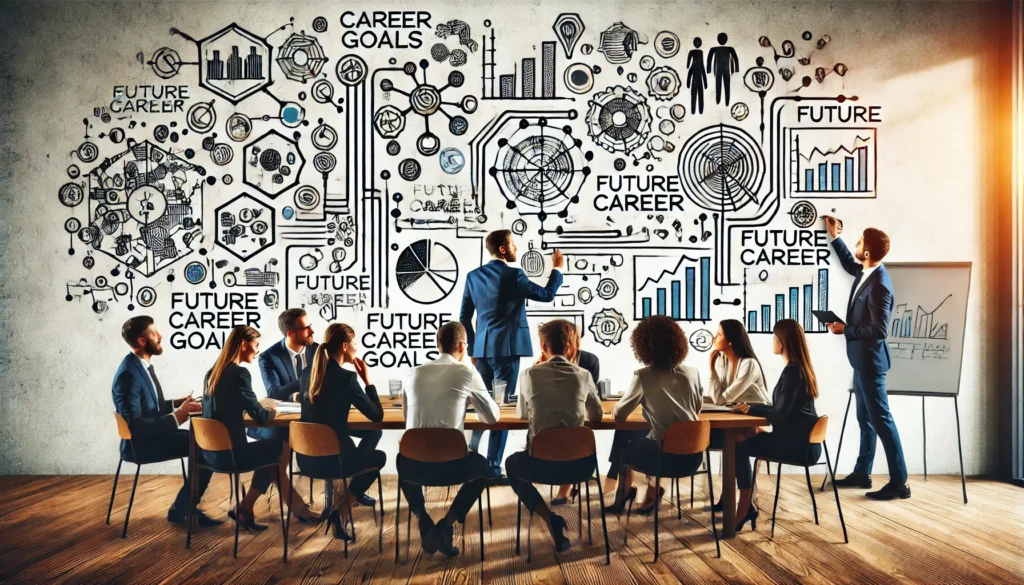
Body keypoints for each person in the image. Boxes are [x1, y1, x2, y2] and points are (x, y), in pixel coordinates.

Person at [460, 229, 564, 481]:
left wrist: (473, 349)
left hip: (482, 351)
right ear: (503, 249)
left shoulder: (473, 277)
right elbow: (547, 295)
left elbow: (464, 317)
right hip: (506, 351)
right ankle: (493, 469)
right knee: (501, 409)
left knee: (482, 408)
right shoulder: (515, 275)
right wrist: (557, 269)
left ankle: (472, 458)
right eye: (514, 245)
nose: (517, 249)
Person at [824, 217, 910, 500]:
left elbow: (879, 331)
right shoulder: (867, 271)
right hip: (861, 362)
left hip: (871, 363)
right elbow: (851, 264)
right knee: (866, 419)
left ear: (869, 253)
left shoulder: (880, 285)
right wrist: (835, 237)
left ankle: (900, 482)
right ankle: (863, 473)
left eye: (859, 243)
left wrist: (844, 329)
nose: (857, 246)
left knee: (882, 419)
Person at [259, 308, 378, 507]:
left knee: (373, 433)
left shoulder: (316, 351)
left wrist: (311, 381)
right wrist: (306, 386)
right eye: (306, 328)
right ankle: (342, 492)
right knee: (274, 443)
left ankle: (352, 487)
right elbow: (273, 391)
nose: (312, 331)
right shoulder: (269, 356)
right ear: (291, 333)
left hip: (319, 423)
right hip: (293, 421)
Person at [200, 326, 316, 529]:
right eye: (255, 345)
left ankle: (253, 507)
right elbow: (262, 417)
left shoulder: (211, 373)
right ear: (244, 345)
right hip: (233, 455)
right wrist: (272, 408)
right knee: (279, 447)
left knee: (271, 449)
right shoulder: (239, 374)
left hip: (210, 454)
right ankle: (290, 508)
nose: (257, 350)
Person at [399, 322, 500, 556]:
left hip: (416, 468)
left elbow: (408, 421)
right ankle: (446, 525)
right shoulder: (466, 372)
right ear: (464, 346)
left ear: (438, 345)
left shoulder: (412, 373)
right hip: (453, 468)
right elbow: (492, 418)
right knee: (482, 467)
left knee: (401, 459)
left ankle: (424, 521)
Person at [112, 316, 221, 527]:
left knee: (202, 443)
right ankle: (182, 509)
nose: (160, 336)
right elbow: (136, 426)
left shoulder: (139, 366)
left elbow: (151, 406)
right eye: (154, 333)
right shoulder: (128, 375)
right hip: (141, 445)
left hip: (154, 437)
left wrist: (182, 404)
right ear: (142, 341)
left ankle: (183, 507)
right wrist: (179, 416)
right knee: (207, 448)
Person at [505, 319, 603, 552]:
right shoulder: (584, 374)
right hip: (580, 467)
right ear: (570, 346)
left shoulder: (529, 375)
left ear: (542, 345)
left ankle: (549, 518)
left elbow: (521, 415)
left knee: (511, 464)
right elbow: (597, 417)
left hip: (538, 466)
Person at [607, 316, 705, 516]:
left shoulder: (643, 376)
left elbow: (619, 416)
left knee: (626, 445)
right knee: (646, 437)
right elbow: (696, 408)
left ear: (643, 346)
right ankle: (649, 491)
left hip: (663, 459)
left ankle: (624, 493)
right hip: (694, 457)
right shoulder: (693, 372)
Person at [730, 319, 821, 531]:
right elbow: (783, 410)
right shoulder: (801, 369)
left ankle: (744, 508)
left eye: (774, 337)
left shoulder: (792, 372)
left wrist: (751, 409)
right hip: (803, 443)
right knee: (745, 435)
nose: (772, 341)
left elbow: (778, 416)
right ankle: (743, 503)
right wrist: (753, 408)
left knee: (737, 448)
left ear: (783, 341)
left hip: (795, 446)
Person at [298, 323, 387, 540]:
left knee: (373, 434)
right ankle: (341, 508)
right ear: (345, 346)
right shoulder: (347, 378)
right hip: (334, 461)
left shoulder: (307, 372)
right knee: (377, 459)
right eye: (355, 342)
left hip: (306, 459)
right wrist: (368, 380)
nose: (357, 347)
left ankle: (349, 490)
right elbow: (376, 415)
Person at [553, 324, 600, 506]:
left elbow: (592, 395)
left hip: (578, 416)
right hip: (561, 423)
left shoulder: (589, 361)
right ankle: (566, 487)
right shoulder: (541, 366)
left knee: (569, 431)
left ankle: (565, 488)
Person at [706, 32, 739, 105]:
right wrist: (736, 69)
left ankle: (724, 101)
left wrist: (736, 70)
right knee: (721, 85)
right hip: (722, 69)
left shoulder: (727, 49)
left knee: (724, 85)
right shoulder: (728, 49)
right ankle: (720, 101)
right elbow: (735, 58)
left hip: (723, 69)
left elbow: (709, 59)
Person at [686, 37, 707, 114]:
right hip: (697, 81)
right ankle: (694, 111)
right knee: (695, 96)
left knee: (698, 96)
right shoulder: (693, 53)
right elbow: (689, 70)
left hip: (698, 81)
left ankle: (699, 111)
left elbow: (702, 68)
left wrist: (705, 83)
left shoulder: (699, 53)